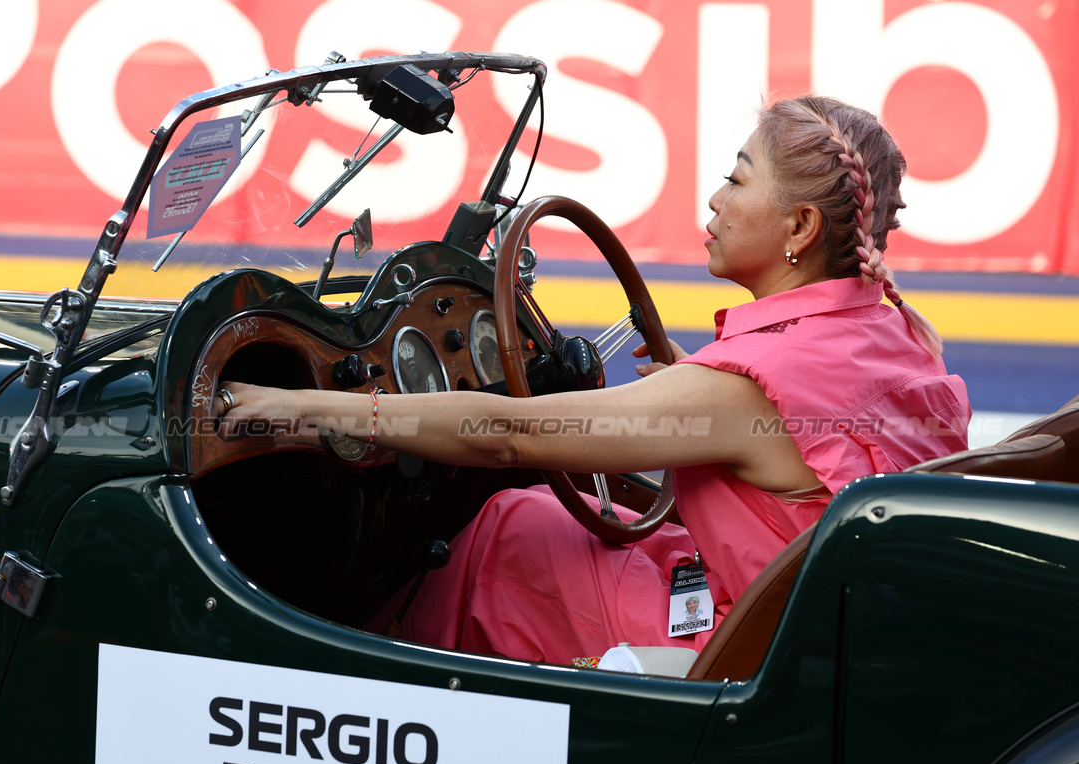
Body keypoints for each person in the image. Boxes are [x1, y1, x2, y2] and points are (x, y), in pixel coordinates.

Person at [216, 96, 971, 666]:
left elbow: (510, 434)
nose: (716, 201)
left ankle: (374, 682)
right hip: (830, 632)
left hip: (748, 648)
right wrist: (686, 387)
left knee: (500, 537)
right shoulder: (896, 332)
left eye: (736, 180)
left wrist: (302, 405)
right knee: (533, 520)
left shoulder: (744, 387)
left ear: (800, 228)